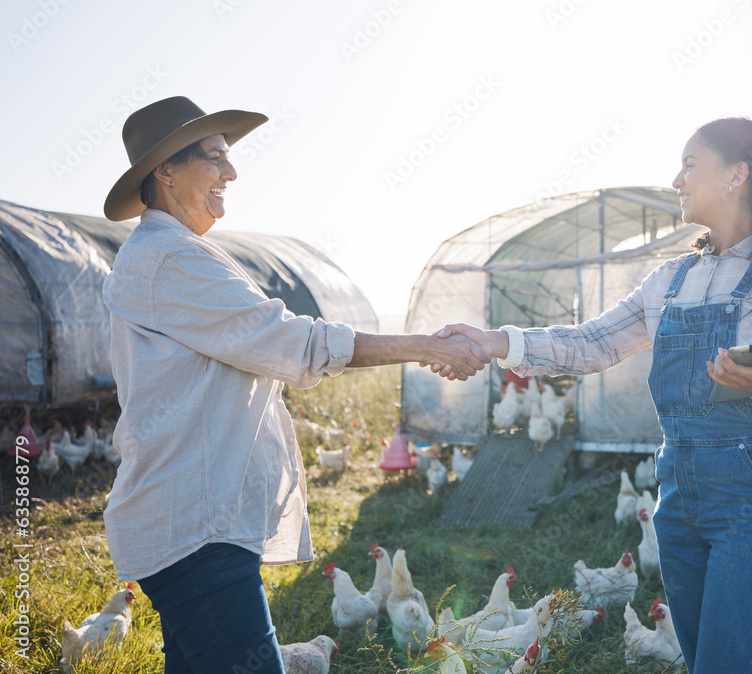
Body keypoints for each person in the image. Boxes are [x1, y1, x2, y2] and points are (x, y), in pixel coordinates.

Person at [432, 117, 752, 672]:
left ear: (737, 173)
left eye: (690, 165)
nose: (676, 180)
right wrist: (494, 340)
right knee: (701, 662)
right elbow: (591, 343)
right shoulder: (670, 279)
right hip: (681, 498)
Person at [101, 96, 490, 673]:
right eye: (213, 158)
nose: (231, 173)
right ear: (165, 170)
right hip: (196, 533)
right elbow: (297, 343)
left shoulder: (170, 255)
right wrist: (426, 345)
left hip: (190, 524)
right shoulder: (169, 261)